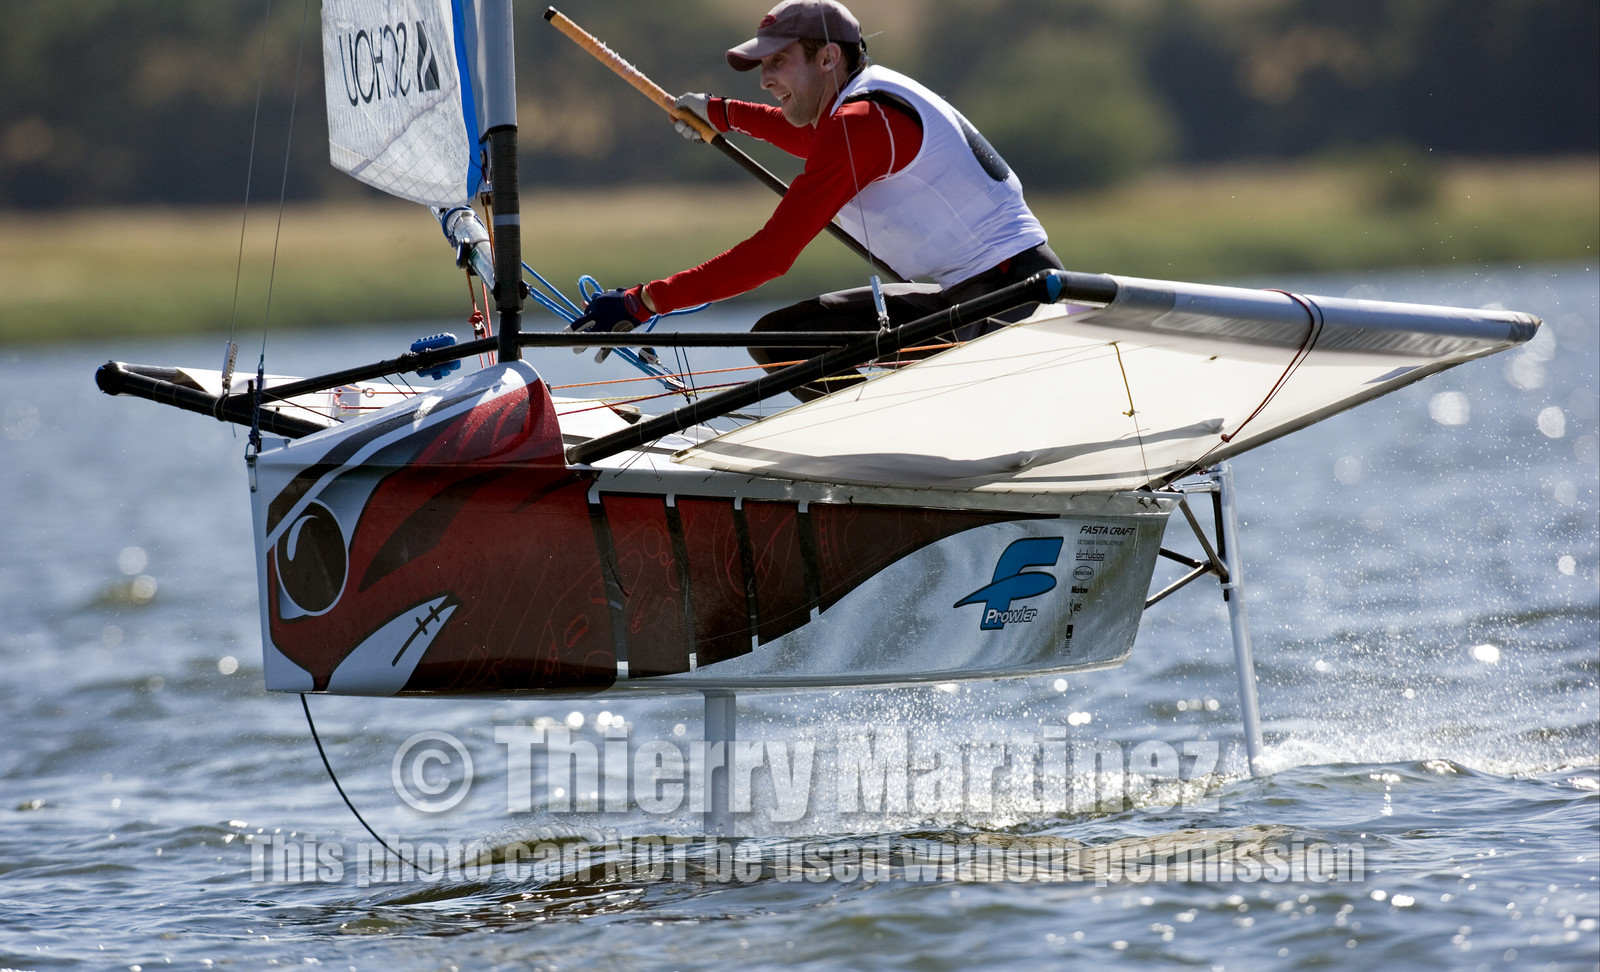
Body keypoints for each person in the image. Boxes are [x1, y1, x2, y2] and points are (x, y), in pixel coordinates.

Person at [570, 0, 1063, 400]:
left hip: (1012, 294)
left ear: (828, 58)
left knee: (783, 342)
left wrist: (644, 301)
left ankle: (880, 446)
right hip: (969, 292)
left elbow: (771, 255)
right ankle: (873, 443)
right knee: (781, 338)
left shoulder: (862, 122)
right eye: (763, 66)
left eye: (777, 63)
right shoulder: (858, 111)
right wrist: (722, 113)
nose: (765, 80)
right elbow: (812, 140)